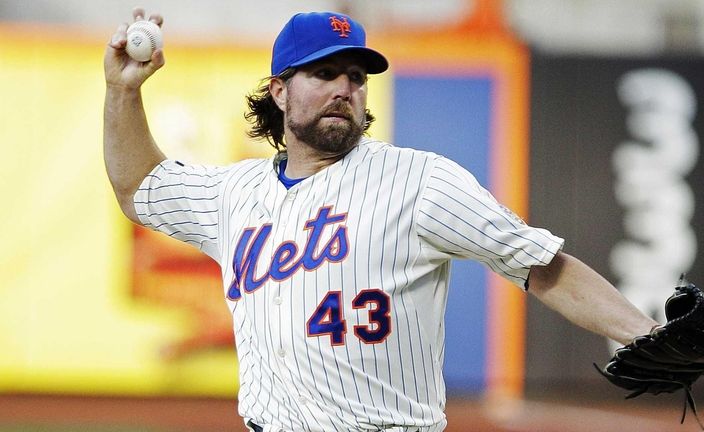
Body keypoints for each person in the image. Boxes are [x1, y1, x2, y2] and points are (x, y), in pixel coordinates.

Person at [104, 8, 659, 432]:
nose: (345, 88)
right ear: (279, 90)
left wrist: (645, 334)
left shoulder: (420, 182)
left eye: (356, 76)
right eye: (324, 73)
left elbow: (540, 263)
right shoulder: (234, 194)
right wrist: (122, 91)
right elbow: (138, 187)